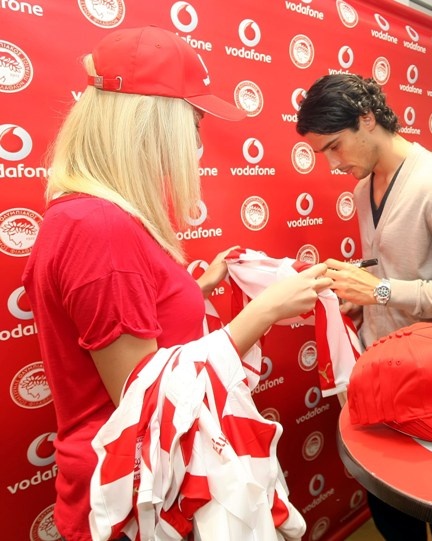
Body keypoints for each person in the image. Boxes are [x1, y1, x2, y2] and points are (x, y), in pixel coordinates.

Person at [21, 27, 332, 541]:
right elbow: (146, 400)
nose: (199, 141)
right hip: (135, 500)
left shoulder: (95, 219)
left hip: (149, 491)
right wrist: (264, 312)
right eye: (194, 120)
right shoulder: (98, 228)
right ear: (150, 124)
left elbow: (140, 331)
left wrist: (199, 290)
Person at [296, 73, 432, 541]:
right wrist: (357, 297)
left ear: (367, 120)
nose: (331, 164)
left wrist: (380, 292)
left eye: (334, 147)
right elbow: (390, 269)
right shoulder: (362, 188)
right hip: (381, 373)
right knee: (391, 511)